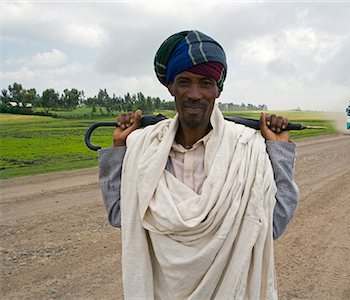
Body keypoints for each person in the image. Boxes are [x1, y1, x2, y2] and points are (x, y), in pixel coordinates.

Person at [98, 30, 299, 299]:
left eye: (205, 83)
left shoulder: (246, 149)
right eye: (184, 82)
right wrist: (120, 149)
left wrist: (279, 150)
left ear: (218, 89)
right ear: (171, 87)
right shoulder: (144, 148)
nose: (195, 94)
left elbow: (271, 225)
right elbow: (121, 216)